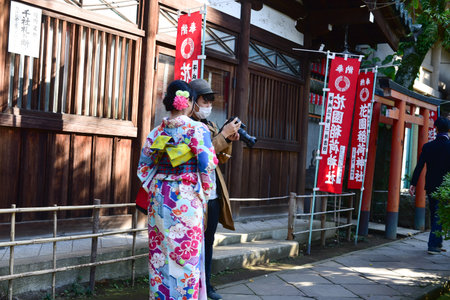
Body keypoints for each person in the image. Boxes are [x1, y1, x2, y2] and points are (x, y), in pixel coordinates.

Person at [137, 80, 218, 300]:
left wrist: (158, 185)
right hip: (186, 198)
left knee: (160, 254)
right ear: (189, 102)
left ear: (169, 103)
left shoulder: (157, 132)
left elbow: (144, 167)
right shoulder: (197, 129)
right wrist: (204, 191)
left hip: (159, 196)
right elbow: (207, 164)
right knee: (186, 255)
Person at [189, 79, 240, 300]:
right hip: (193, 196)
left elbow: (220, 159)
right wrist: (222, 136)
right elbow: (202, 155)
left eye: (211, 99)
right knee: (192, 245)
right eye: (204, 99)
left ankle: (206, 286)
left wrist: (228, 139)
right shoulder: (186, 126)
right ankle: (192, 287)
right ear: (191, 101)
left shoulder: (209, 125)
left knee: (208, 243)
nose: (209, 103)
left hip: (212, 195)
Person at [409, 116, 450, 255]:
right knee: (440, 215)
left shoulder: (428, 146)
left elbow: (419, 166)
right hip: (446, 187)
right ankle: (433, 245)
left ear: (436, 129)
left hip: (431, 185)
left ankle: (437, 242)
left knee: (434, 213)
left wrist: (413, 183)